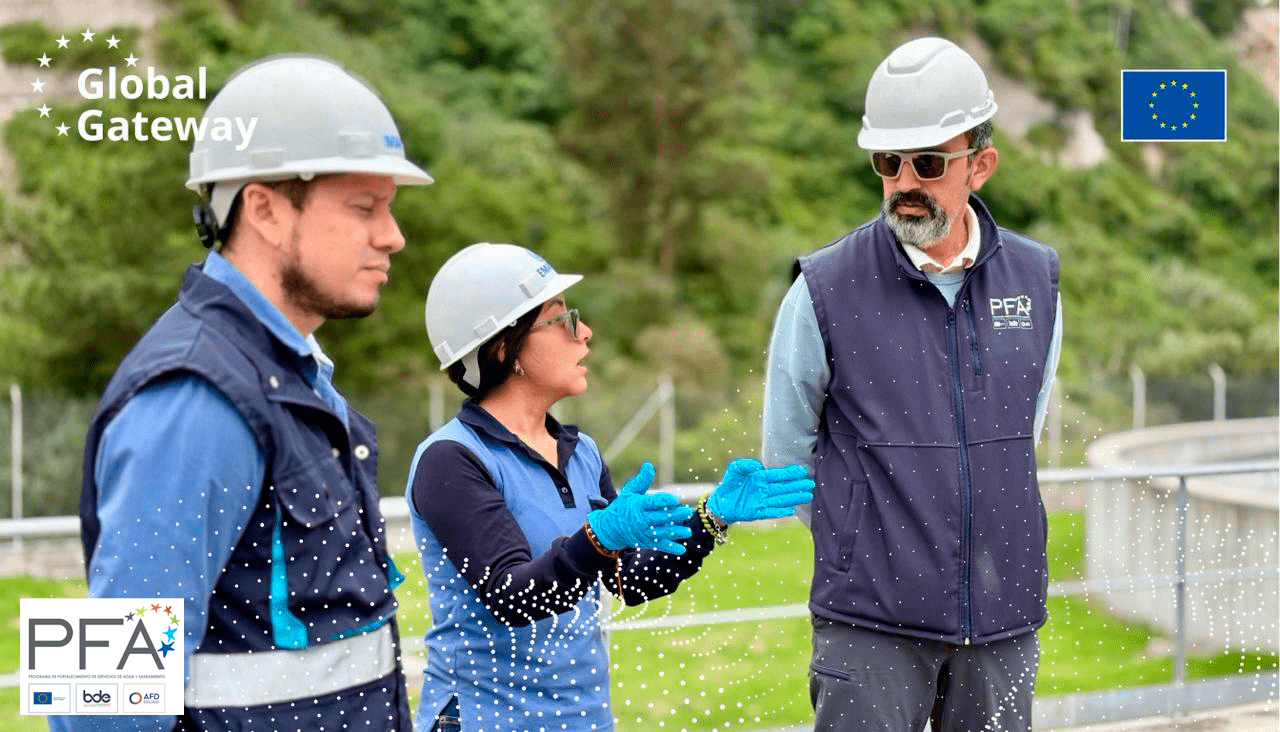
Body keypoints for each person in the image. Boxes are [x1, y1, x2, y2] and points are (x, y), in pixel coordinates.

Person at [58, 55, 433, 732]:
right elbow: (101, 708)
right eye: (364, 207)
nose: (393, 237)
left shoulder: (292, 374)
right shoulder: (191, 396)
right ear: (262, 208)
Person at [761, 37, 1063, 732]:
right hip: (870, 627)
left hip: (1002, 621)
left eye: (927, 161)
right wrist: (867, 542)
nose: (903, 180)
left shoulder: (1036, 281)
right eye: (886, 161)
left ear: (979, 166)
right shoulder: (825, 289)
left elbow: (1021, 432)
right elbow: (787, 454)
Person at [407, 242, 815, 731]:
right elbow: (512, 597)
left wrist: (709, 519)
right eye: (561, 320)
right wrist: (596, 539)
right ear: (502, 348)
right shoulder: (451, 460)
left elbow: (629, 580)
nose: (585, 333)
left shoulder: (580, 452)